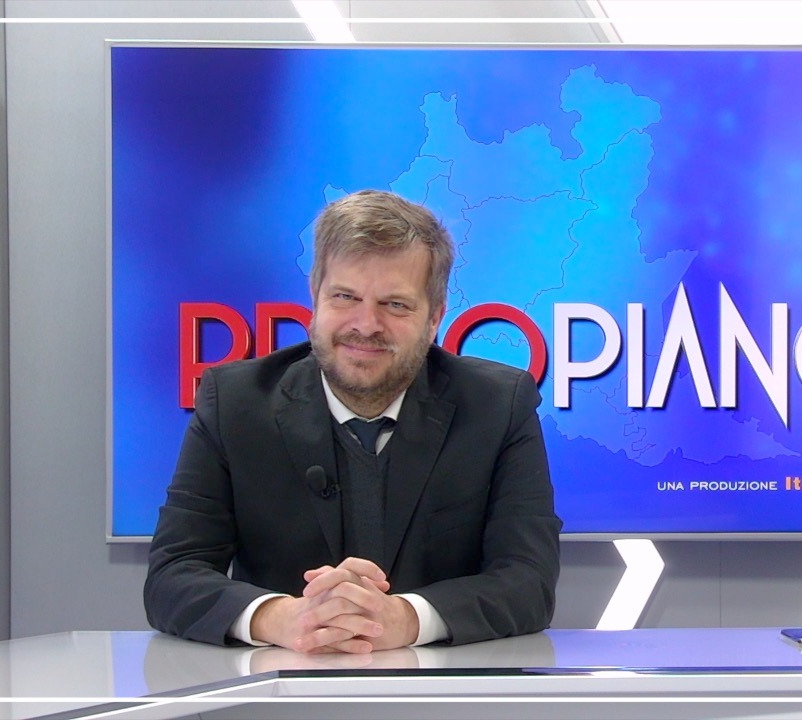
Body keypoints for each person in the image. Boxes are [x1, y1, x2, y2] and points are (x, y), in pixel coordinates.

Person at [144, 190, 562, 654]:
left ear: (434, 318)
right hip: (279, 686)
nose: (366, 325)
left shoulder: (497, 406)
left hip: (443, 687)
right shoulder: (234, 403)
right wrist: (281, 618)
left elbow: (528, 582)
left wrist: (405, 619)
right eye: (345, 297)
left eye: (395, 305)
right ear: (315, 298)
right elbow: (172, 576)